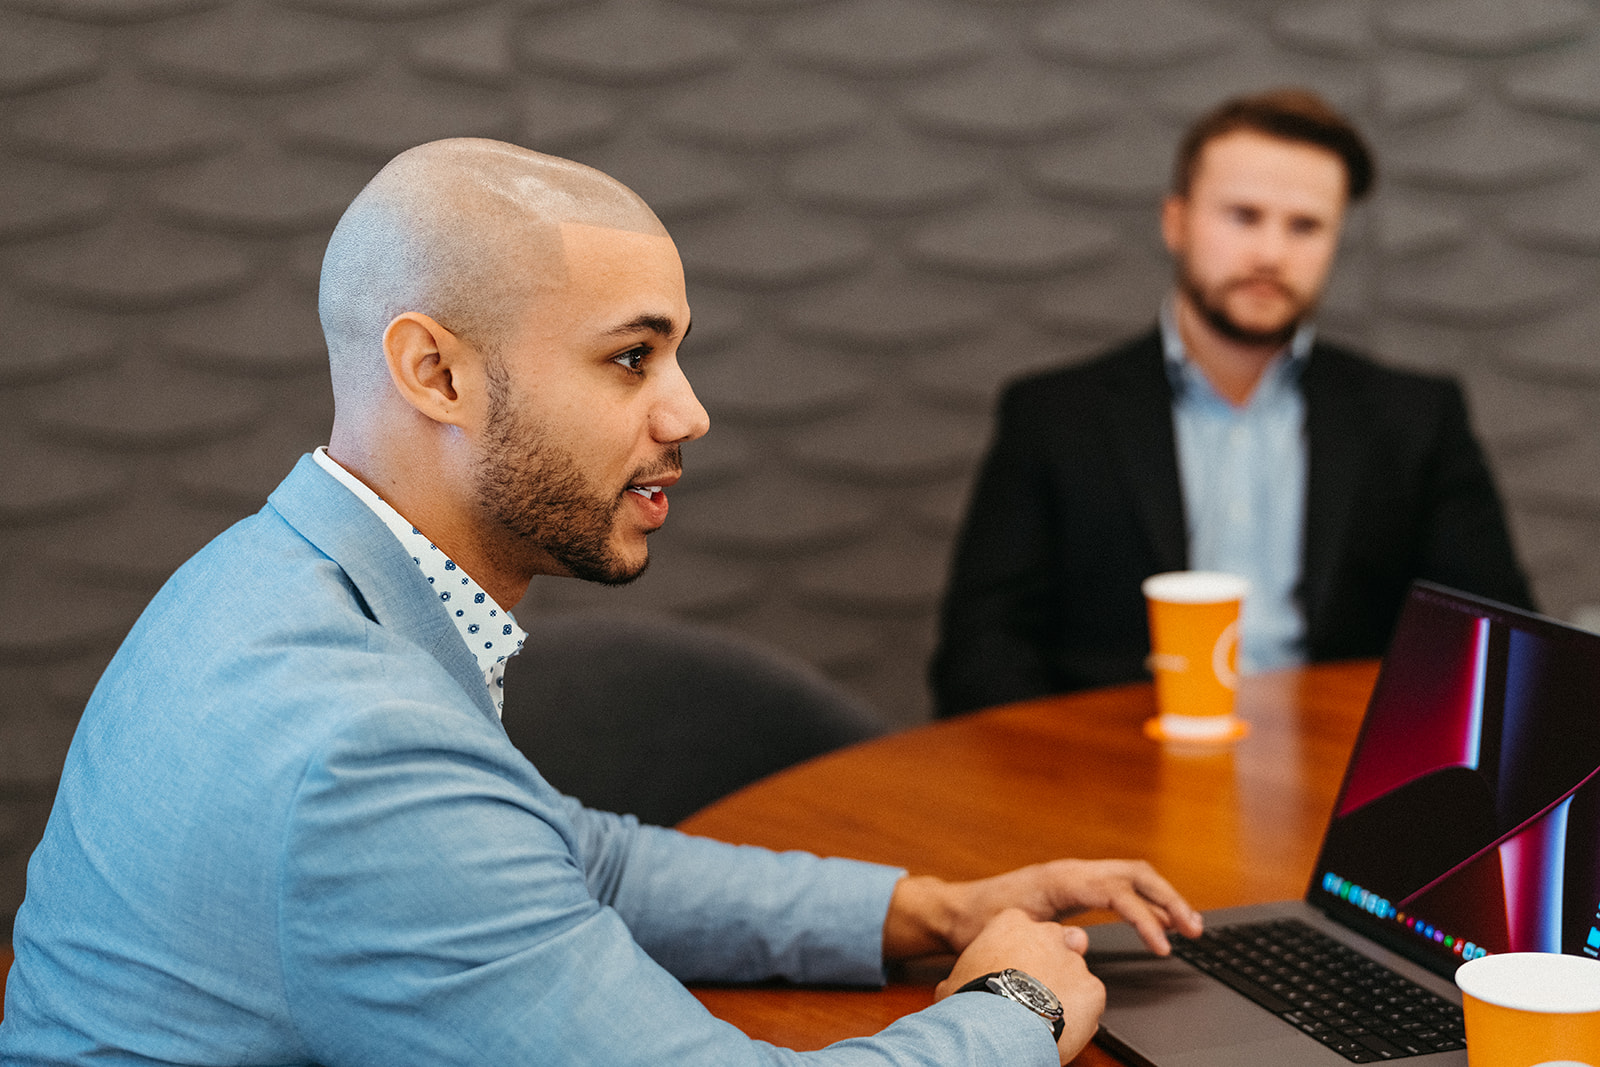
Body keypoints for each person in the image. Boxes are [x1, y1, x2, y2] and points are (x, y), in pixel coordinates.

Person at [0, 139, 1203, 1066]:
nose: (689, 415)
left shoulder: (270, 575)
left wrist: (934, 908)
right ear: (436, 371)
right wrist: (1017, 999)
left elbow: (575, 858)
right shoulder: (354, 748)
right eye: (632, 358)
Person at [931, 88, 1534, 718]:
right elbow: (979, 657)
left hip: (1337, 777)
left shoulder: (1414, 420)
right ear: (1177, 222)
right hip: (1112, 778)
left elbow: (1506, 650)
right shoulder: (1056, 417)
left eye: (1305, 226)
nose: (1271, 255)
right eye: (1243, 216)